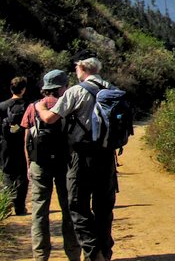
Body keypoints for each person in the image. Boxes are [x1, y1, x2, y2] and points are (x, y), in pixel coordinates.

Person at [35, 57, 117, 261]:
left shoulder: (76, 91)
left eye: (76, 68)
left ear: (82, 69)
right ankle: (105, 252)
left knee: (78, 206)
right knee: (103, 207)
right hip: (107, 157)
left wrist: (40, 108)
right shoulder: (112, 89)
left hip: (82, 157)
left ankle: (92, 252)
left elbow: (50, 118)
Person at [23, 69, 81, 261]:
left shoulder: (33, 107)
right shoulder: (67, 105)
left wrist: (29, 164)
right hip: (65, 163)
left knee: (39, 211)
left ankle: (40, 256)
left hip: (39, 163)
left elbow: (27, 138)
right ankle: (73, 253)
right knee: (69, 209)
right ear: (61, 87)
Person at [1, 75, 30, 215]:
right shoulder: (28, 105)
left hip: (6, 145)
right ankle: (19, 206)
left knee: (7, 173)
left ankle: (7, 204)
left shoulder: (2, 106)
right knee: (22, 175)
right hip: (22, 144)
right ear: (23, 89)